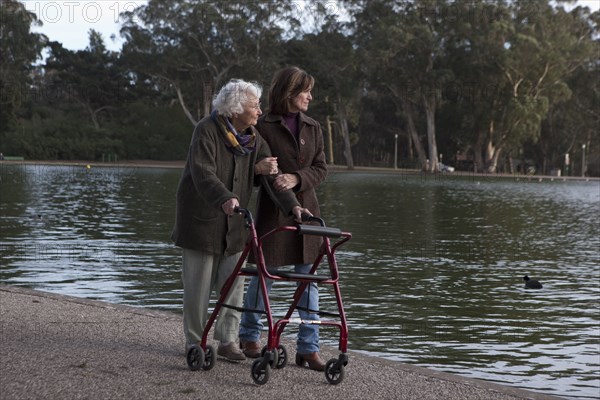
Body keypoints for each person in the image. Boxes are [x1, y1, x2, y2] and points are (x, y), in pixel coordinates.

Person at [171, 78, 310, 362]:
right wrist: (224, 196)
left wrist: (294, 207)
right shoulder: (206, 130)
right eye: (254, 106)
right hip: (202, 221)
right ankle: (195, 342)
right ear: (235, 109)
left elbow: (271, 176)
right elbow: (203, 172)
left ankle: (228, 340)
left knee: (233, 286)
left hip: (235, 224)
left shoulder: (254, 137)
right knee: (198, 288)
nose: (260, 111)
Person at [239, 67, 328, 371]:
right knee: (264, 278)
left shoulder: (314, 127)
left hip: (308, 214)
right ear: (290, 92)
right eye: (306, 91)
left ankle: (308, 347)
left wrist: (297, 177)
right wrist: (266, 173)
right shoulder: (261, 125)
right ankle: (249, 336)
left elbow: (321, 169)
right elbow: (251, 170)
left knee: (311, 281)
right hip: (272, 213)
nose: (310, 96)